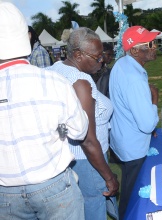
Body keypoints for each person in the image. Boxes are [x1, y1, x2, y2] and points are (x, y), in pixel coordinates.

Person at [0, 2, 89, 219]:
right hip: (54, 187)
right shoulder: (53, 81)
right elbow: (79, 130)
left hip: (5, 194)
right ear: (26, 36)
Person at [47, 27, 119, 220]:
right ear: (78, 55)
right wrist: (108, 176)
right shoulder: (80, 81)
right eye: (96, 57)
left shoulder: (55, 69)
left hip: (69, 157)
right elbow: (87, 139)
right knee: (93, 208)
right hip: (89, 161)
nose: (101, 60)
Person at [109, 26, 159, 219]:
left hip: (122, 138)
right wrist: (154, 99)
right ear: (136, 50)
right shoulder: (134, 78)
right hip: (134, 148)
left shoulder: (122, 64)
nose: (155, 47)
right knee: (131, 198)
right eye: (150, 44)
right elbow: (147, 125)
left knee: (130, 187)